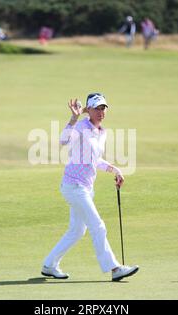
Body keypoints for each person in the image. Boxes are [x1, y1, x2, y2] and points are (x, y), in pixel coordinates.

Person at [41, 93, 140, 282]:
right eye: (97, 108)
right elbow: (63, 140)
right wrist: (74, 117)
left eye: (103, 108)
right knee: (98, 226)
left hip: (85, 188)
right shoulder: (81, 126)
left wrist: (115, 169)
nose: (101, 112)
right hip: (73, 186)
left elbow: (95, 160)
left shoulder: (101, 132)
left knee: (77, 231)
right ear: (89, 110)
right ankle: (114, 268)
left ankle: (49, 265)